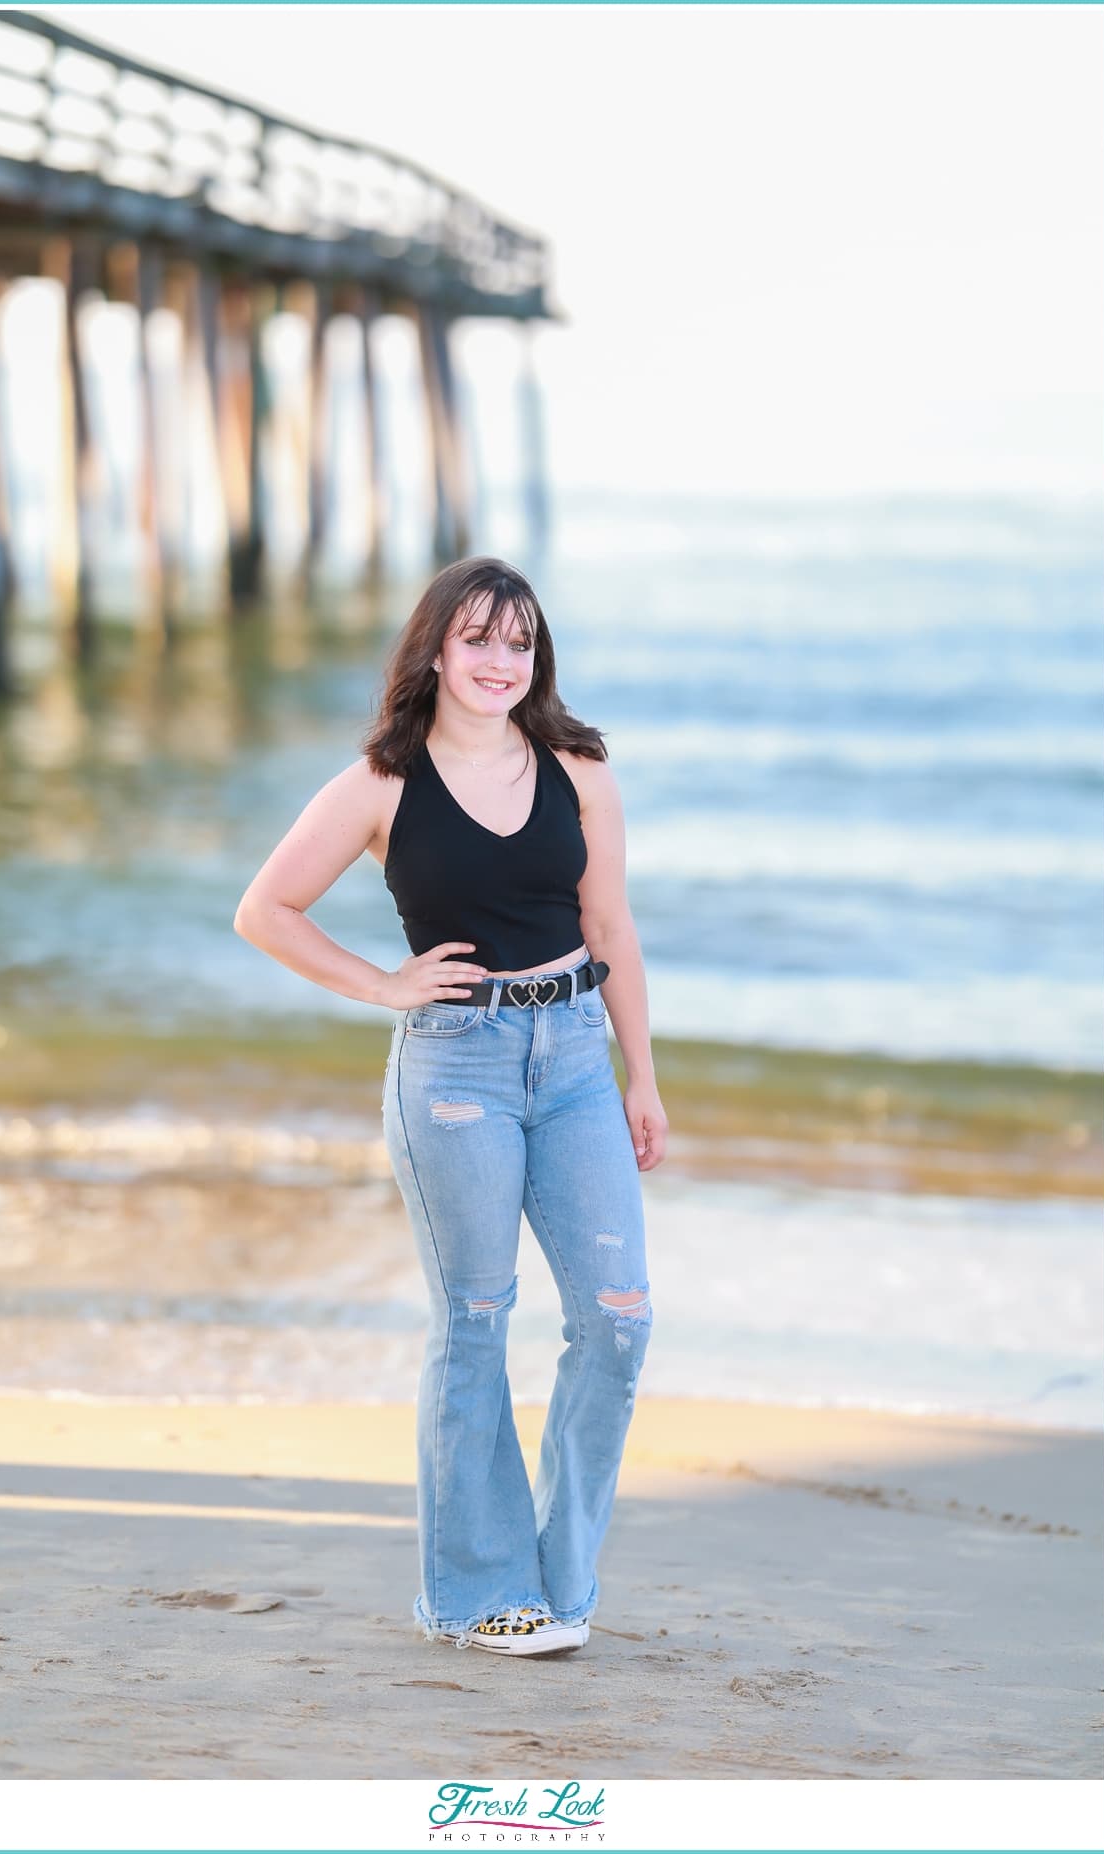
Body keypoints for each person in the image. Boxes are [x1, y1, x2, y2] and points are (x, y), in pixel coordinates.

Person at [234, 556, 668, 1657]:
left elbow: (611, 929)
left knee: (616, 1319)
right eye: (478, 639)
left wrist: (641, 1079)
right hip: (456, 1068)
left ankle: (558, 1583)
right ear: (434, 647)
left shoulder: (579, 767)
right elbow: (266, 911)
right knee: (475, 1323)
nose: (499, 662)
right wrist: (384, 985)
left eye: (519, 643)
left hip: (573, 1053)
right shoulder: (379, 784)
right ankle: (474, 1596)